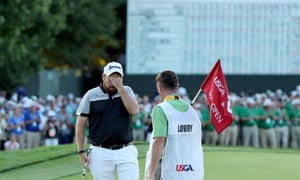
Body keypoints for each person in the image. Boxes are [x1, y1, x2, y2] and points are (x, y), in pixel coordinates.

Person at [76, 61, 140, 180]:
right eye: (111, 78)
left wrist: (120, 88)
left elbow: (134, 111)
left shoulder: (127, 91)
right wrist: (81, 151)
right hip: (100, 152)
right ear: (103, 76)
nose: (113, 82)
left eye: (117, 78)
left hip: (125, 150)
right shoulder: (91, 95)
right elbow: (80, 124)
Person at [145, 70, 204, 180]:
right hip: (194, 170)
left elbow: (159, 142)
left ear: (159, 87)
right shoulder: (192, 111)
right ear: (177, 86)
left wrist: (151, 172)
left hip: (171, 171)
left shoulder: (161, 109)